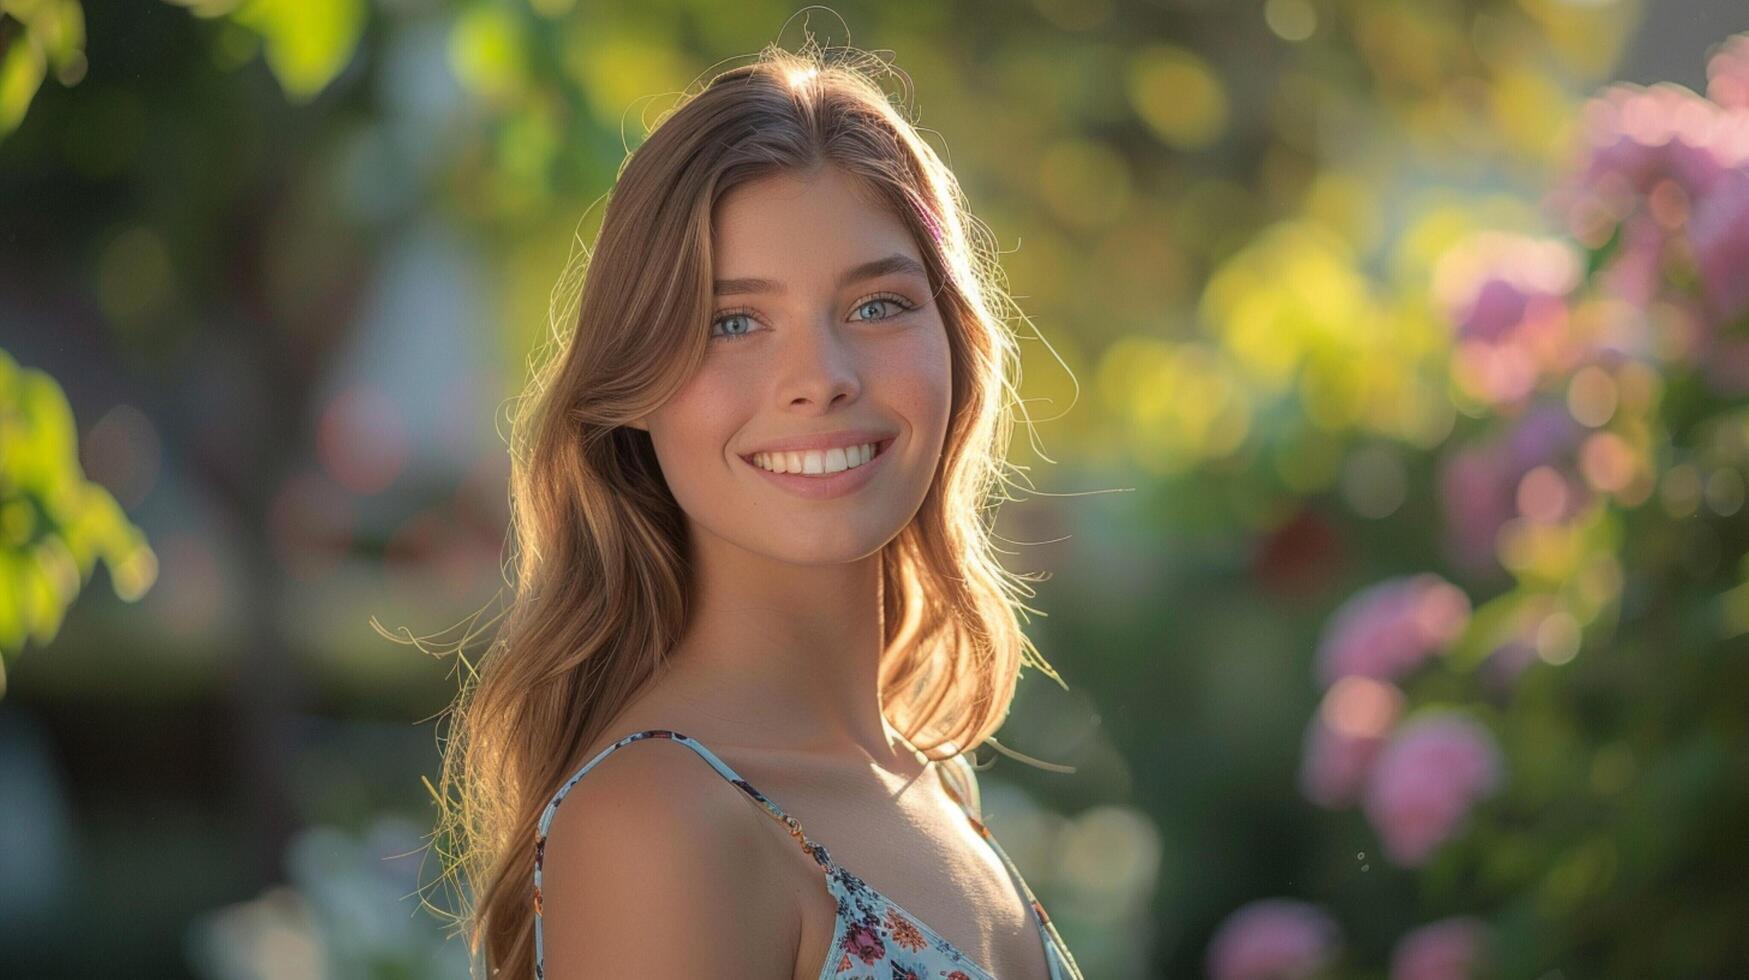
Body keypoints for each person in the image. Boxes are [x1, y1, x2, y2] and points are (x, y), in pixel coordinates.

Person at [429, 38, 1086, 980]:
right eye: (731, 322)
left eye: (877, 306)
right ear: (635, 390)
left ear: (955, 346)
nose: (819, 379)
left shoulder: (928, 777)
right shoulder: (659, 820)